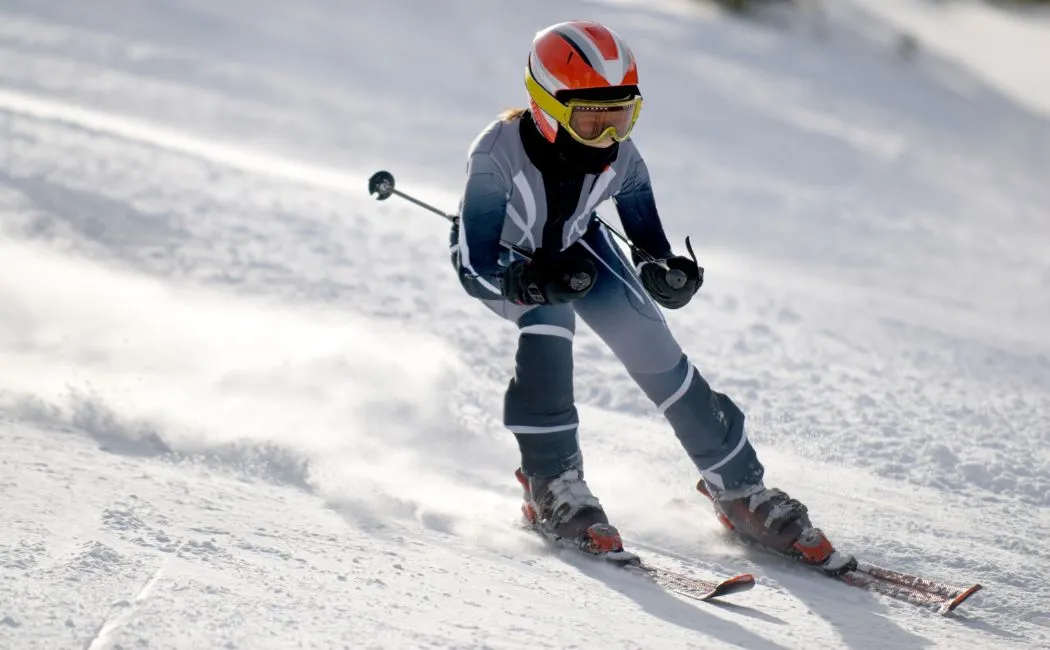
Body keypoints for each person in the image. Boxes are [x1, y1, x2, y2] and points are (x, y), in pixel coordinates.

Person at [450, 20, 844, 569]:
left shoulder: (623, 157)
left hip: (574, 247)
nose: (609, 135)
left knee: (648, 339)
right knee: (549, 320)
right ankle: (553, 483)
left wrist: (666, 271)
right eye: (592, 118)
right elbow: (473, 264)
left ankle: (738, 489)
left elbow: (648, 242)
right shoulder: (495, 155)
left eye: (622, 114)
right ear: (545, 105)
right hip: (509, 259)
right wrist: (526, 281)